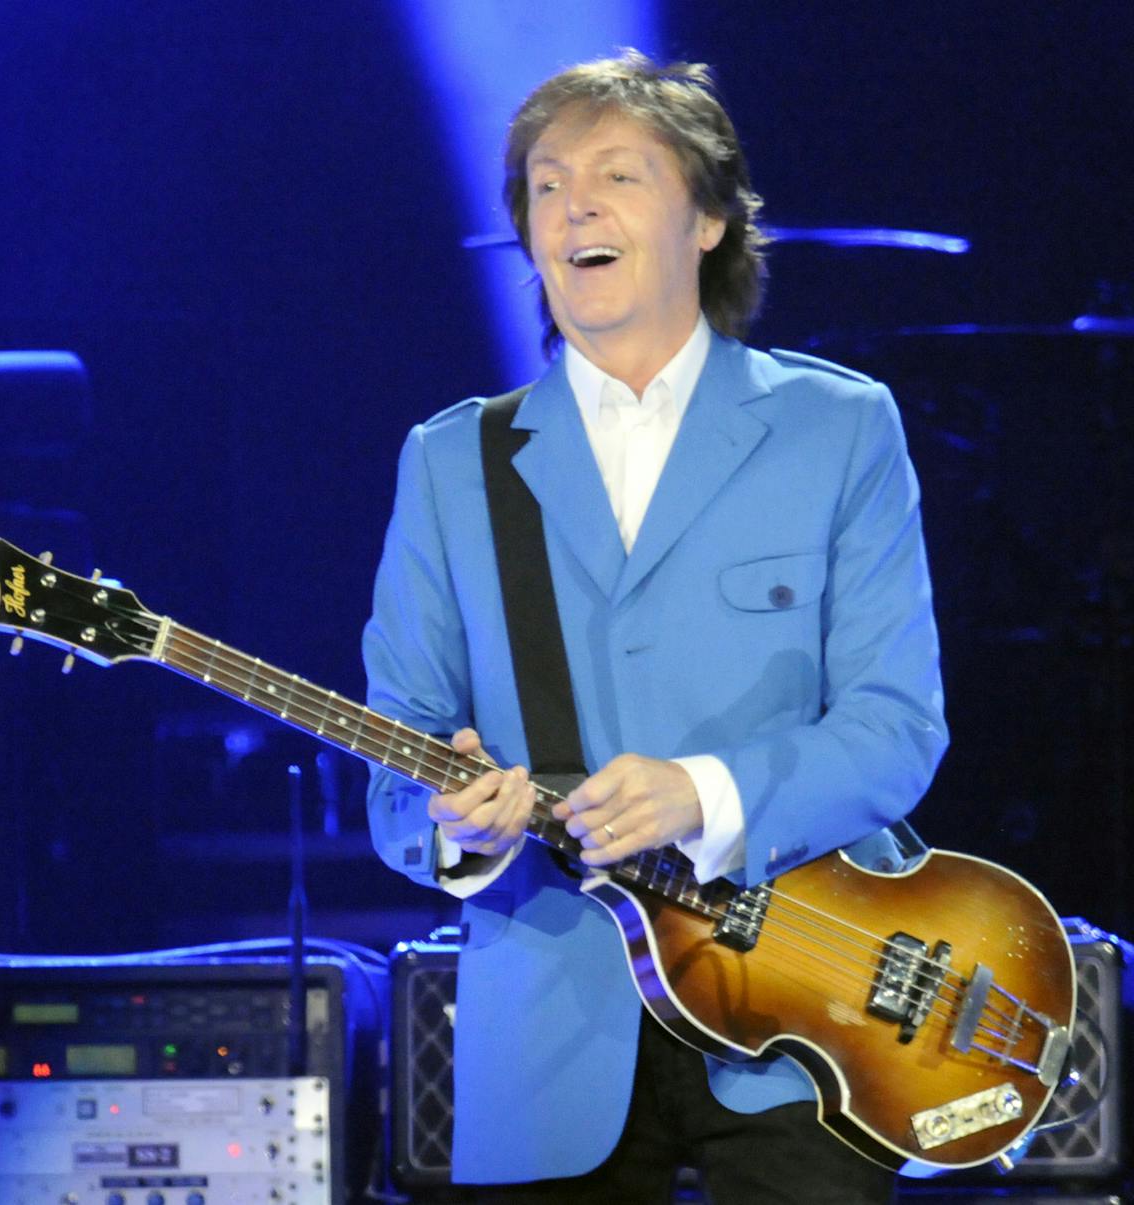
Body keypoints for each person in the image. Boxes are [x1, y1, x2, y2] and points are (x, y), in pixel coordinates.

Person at [364, 51, 946, 1204]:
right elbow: (396, 767)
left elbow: (896, 728)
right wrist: (459, 834)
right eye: (543, 183)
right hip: (545, 1044)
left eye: (615, 174)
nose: (571, 203)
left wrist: (703, 792)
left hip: (802, 1029)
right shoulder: (450, 461)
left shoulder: (838, 426)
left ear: (712, 221)